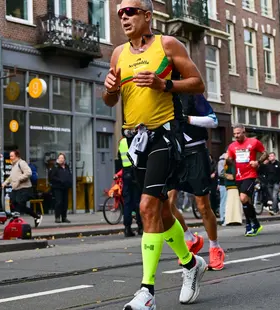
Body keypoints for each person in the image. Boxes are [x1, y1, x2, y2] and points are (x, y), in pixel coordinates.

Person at [103, 1, 208, 308]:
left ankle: (146, 291)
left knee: (148, 206)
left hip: (164, 133)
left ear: (147, 16)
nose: (124, 16)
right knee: (161, 213)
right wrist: (109, 88)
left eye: (130, 11)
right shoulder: (118, 54)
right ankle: (191, 265)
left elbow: (198, 83)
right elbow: (110, 101)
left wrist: (165, 84)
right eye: (120, 12)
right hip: (134, 140)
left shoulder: (168, 44)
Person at [168, 94, 225, 272]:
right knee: (167, 204)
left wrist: (186, 118)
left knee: (202, 206)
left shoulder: (191, 95)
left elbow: (213, 121)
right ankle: (190, 238)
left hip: (196, 153)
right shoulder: (160, 97)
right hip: (174, 154)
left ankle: (215, 247)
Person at [227, 124, 268, 236]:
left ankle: (251, 223)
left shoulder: (254, 142)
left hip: (250, 175)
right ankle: (253, 224)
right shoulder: (232, 146)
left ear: (244, 132)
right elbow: (230, 161)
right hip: (239, 176)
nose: (236, 135)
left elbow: (265, 153)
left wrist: (257, 162)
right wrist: (228, 160)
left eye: (238, 133)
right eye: (234, 134)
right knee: (246, 200)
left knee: (243, 197)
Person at [2, 150, 43, 227]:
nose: (10, 158)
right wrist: (4, 183)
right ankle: (36, 216)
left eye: (12, 156)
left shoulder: (22, 163)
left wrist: (19, 178)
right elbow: (11, 177)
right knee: (14, 203)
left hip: (24, 188)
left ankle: (15, 220)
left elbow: (29, 172)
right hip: (16, 189)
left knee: (19, 203)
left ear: (17, 156)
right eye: (10, 156)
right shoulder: (13, 165)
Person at [118, 137, 143, 237]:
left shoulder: (122, 142)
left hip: (126, 173)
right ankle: (140, 227)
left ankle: (127, 228)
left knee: (127, 202)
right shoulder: (137, 139)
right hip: (136, 172)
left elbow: (119, 158)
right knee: (138, 201)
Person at [49, 153, 73, 223]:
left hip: (65, 187)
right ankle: (57, 217)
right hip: (58, 187)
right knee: (58, 202)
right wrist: (60, 180)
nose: (61, 159)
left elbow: (69, 175)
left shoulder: (67, 167)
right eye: (60, 158)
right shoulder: (55, 167)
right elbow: (52, 177)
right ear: (58, 159)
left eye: (62, 158)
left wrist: (69, 182)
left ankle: (64, 217)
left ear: (64, 159)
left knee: (65, 202)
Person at [218, 152, 228, 225]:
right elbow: (220, 173)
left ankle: (226, 217)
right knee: (223, 201)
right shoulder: (222, 161)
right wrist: (229, 175)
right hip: (223, 184)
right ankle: (222, 218)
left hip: (228, 184)